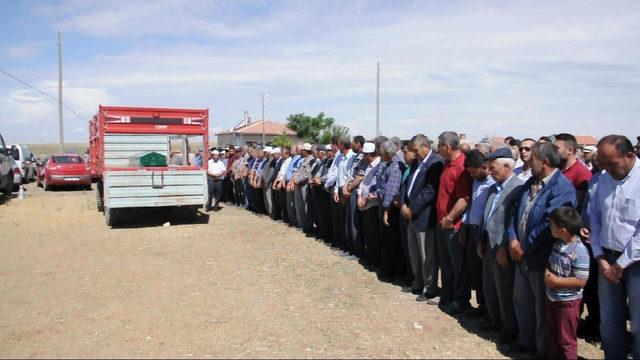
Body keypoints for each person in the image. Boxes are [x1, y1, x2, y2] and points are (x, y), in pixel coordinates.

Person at [509, 142, 576, 357]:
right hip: (521, 255)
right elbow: (514, 212)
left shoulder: (562, 188)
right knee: (522, 302)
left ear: (545, 162)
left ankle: (541, 350)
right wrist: (512, 239)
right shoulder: (531, 182)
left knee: (541, 310)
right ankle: (525, 342)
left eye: (533, 158)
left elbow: (549, 224)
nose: (528, 160)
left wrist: (524, 245)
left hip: (541, 258)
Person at [589, 135, 639, 359]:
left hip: (635, 263)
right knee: (609, 321)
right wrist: (600, 257)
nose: (607, 170)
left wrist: (619, 266)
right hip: (606, 259)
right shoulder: (603, 178)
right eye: (603, 164)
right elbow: (595, 218)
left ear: (629, 156)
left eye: (612, 164)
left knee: (638, 324)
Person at [477, 147, 523, 344]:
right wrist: (480, 238)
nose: (489, 172)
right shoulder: (493, 188)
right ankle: (494, 321)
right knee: (489, 287)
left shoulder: (518, 188)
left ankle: (509, 328)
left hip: (502, 248)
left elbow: (513, 222)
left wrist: (504, 246)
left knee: (504, 289)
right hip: (488, 243)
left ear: (506, 166)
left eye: (492, 167)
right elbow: (485, 216)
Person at [401, 134, 444, 302]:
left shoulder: (435, 163)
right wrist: (404, 203)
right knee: (414, 252)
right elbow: (407, 184)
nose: (414, 153)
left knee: (427, 255)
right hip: (410, 214)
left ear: (426, 146)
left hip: (424, 216)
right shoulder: (416, 163)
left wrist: (413, 208)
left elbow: (429, 191)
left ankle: (429, 287)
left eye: (416, 150)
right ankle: (417, 282)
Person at [545, 206, 590, 360]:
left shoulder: (579, 251)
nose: (550, 227)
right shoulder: (558, 244)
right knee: (552, 334)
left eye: (552, 225)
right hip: (552, 298)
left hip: (568, 303)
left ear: (562, 230)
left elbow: (580, 280)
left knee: (566, 339)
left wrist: (556, 281)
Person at [436, 131, 472, 314]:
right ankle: (448, 294)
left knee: (458, 265)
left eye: (440, 146)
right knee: (447, 263)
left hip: (453, 226)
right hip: (443, 224)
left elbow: (464, 198)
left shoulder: (462, 166)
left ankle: (460, 299)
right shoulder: (447, 164)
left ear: (448, 147)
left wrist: (450, 218)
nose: (438, 149)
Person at [460, 149, 495, 319]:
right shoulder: (475, 182)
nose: (472, 176)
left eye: (474, 172)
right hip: (471, 230)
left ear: (484, 167)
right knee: (474, 271)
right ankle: (481, 305)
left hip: (485, 234)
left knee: (485, 274)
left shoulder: (492, 184)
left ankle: (489, 308)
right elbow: (472, 205)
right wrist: (464, 225)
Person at [379, 140, 407, 282]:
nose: (380, 155)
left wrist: (386, 211)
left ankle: (396, 272)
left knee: (393, 242)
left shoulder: (395, 167)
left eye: (382, 153)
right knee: (389, 242)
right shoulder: (390, 164)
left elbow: (391, 191)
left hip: (391, 210)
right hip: (389, 207)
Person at [357, 142, 382, 267]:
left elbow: (374, 185)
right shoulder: (369, 165)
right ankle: (370, 256)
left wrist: (365, 199)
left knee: (373, 234)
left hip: (372, 204)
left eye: (364, 155)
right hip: (364, 202)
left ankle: (374, 259)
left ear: (368, 155)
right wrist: (359, 195)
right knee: (367, 232)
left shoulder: (378, 165)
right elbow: (363, 183)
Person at [554, 133, 592, 209]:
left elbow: (579, 204)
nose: (553, 152)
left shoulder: (582, 173)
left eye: (556, 148)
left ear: (570, 150)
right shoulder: (555, 169)